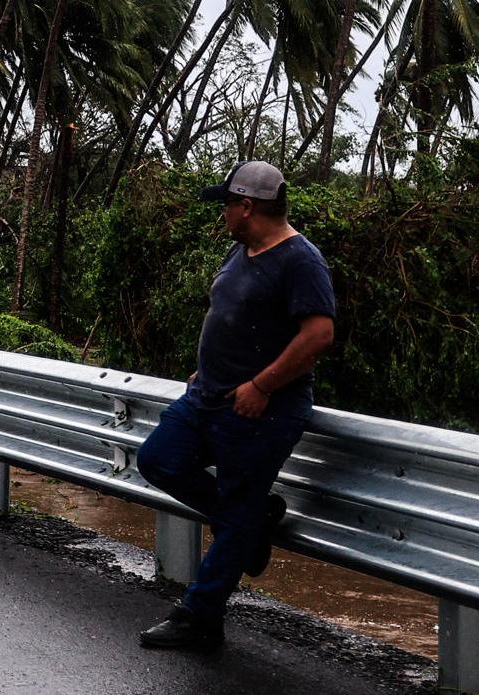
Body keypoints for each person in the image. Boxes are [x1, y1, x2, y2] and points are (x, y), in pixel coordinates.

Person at [136, 160, 336, 651]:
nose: (222, 212)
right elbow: (232, 315)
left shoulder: (301, 261)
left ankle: (200, 617)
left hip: (261, 410)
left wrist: (262, 385)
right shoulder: (241, 248)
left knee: (238, 506)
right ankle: (251, 520)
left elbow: (319, 334)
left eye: (227, 203)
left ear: (248, 206)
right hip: (206, 397)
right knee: (158, 460)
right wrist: (210, 369)